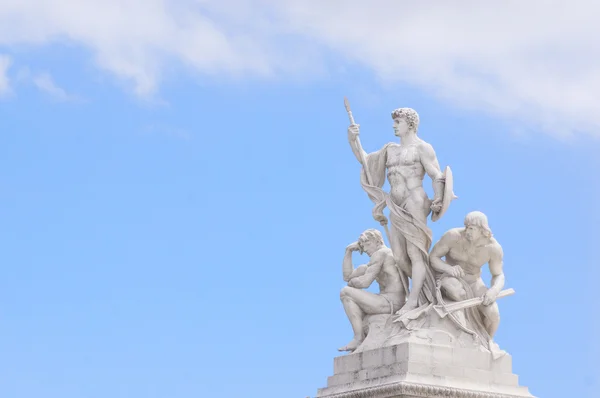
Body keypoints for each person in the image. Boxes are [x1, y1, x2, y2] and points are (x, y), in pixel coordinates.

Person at [347, 108, 447, 315]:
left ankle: (412, 302)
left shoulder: (422, 148)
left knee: (415, 254)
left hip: (415, 201)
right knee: (400, 257)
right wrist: (353, 140)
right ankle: (425, 291)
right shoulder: (389, 150)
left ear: (410, 124)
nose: (394, 125)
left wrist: (438, 197)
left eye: (398, 121)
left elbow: (437, 175)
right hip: (396, 204)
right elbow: (366, 162)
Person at [429, 211, 504, 338]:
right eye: (466, 227)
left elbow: (498, 275)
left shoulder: (493, 248)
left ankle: (486, 343)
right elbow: (433, 257)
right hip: (450, 277)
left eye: (471, 228)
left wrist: (494, 291)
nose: (467, 231)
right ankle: (465, 330)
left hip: (474, 282)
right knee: (457, 292)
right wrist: (448, 268)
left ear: (482, 230)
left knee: (493, 314)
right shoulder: (453, 236)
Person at [338, 229, 406, 352]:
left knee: (345, 292)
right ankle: (358, 337)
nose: (365, 249)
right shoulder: (377, 260)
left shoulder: (382, 253)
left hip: (391, 301)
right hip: (389, 301)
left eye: (368, 244)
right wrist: (348, 251)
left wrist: (352, 283)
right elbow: (347, 276)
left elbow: (364, 282)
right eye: (363, 246)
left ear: (377, 241)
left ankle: (358, 338)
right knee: (349, 290)